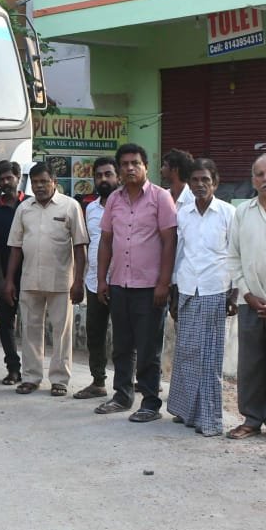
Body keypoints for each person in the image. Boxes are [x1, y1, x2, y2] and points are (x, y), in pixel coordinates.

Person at [95, 143, 178, 422]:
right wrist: (102, 280)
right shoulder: (115, 201)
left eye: (136, 163)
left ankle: (151, 403)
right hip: (119, 284)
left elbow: (169, 242)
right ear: (119, 169)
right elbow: (106, 241)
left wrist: (163, 283)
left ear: (146, 167)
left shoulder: (161, 198)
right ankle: (122, 396)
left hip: (149, 288)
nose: (130, 168)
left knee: (148, 348)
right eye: (125, 164)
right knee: (121, 345)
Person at [3, 162, 88, 396]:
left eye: (44, 181)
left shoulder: (70, 207)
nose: (39, 186)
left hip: (62, 281)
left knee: (61, 332)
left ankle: (60, 379)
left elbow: (80, 246)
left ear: (54, 182)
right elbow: (15, 248)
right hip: (30, 279)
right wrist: (9, 281)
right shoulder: (24, 208)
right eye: (35, 182)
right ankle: (31, 377)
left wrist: (79, 281)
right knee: (30, 329)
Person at [165, 159, 236, 436]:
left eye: (205, 179)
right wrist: (172, 290)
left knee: (210, 358)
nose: (200, 184)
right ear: (189, 183)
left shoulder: (228, 213)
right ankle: (187, 412)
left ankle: (209, 420)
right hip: (186, 289)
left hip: (215, 290)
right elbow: (179, 253)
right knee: (186, 354)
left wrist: (235, 291)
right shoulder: (182, 214)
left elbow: (234, 253)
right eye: (195, 180)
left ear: (215, 182)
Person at [225, 154, 266, 441]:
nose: (265, 179)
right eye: (259, 174)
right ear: (252, 180)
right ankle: (251, 419)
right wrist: (247, 294)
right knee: (250, 363)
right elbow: (233, 256)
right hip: (250, 301)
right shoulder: (242, 212)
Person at [74, 157, 118, 399]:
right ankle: (98, 381)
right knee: (95, 333)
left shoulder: (127, 205)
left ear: (117, 177)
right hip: (94, 281)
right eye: (99, 175)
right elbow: (86, 245)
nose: (103, 179)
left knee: (124, 338)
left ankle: (126, 385)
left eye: (108, 174)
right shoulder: (90, 208)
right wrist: (79, 279)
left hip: (122, 280)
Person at [0, 160, 24, 386]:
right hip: (5, 276)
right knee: (6, 324)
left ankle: (33, 370)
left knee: (31, 325)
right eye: (1, 179)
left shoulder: (29, 205)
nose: (5, 182)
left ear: (18, 178)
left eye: (9, 177)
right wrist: (0, 279)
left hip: (29, 274)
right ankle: (13, 369)